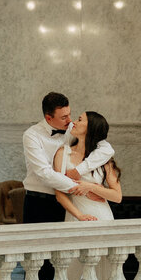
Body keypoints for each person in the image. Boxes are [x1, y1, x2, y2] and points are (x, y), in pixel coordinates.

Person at [21, 91, 115, 223]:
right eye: (64, 117)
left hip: (69, 202)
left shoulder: (73, 129)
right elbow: (44, 172)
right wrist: (84, 189)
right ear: (49, 118)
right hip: (40, 202)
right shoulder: (32, 135)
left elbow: (107, 149)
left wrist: (79, 171)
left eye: (70, 114)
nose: (70, 120)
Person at [54, 111, 122, 221]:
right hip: (75, 216)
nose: (74, 122)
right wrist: (80, 216)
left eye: (80, 119)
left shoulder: (103, 159)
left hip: (102, 216)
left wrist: (91, 187)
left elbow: (117, 197)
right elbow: (59, 194)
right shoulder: (62, 153)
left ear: (90, 128)